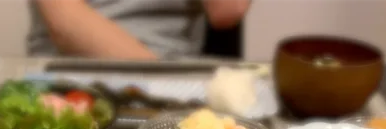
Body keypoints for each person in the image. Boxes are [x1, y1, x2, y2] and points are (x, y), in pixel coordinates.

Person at [28, 0, 251, 59]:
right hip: (67, 69)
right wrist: (158, 82)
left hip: (175, 69)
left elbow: (228, 9)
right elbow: (65, 23)